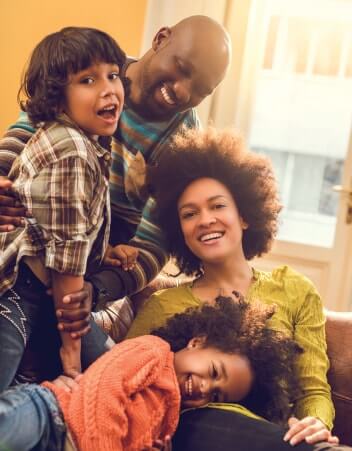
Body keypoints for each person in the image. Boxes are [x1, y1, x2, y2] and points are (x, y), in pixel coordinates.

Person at [0, 15, 232, 318]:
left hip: (103, 252)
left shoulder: (186, 148)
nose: (184, 92)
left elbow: (153, 245)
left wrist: (97, 290)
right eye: (183, 69)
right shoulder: (91, 69)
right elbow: (29, 130)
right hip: (42, 217)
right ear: (160, 39)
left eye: (202, 90)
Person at [126, 127, 344, 449]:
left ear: (243, 216)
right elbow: (125, 379)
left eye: (217, 206)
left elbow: (314, 390)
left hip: (278, 438)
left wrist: (315, 423)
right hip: (191, 432)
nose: (205, 220)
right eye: (190, 214)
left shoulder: (295, 290)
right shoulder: (162, 305)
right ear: (180, 231)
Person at [0, 297, 302, 451]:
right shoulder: (152, 352)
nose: (204, 388)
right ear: (197, 342)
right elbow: (105, 389)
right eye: (212, 372)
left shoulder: (169, 416)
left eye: (215, 395)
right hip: (51, 414)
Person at [0, 26, 126, 392]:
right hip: (16, 288)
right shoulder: (71, 151)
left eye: (113, 75)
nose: (108, 88)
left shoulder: (81, 142)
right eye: (88, 79)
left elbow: (67, 227)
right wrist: (71, 358)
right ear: (57, 100)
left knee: (118, 373)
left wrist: (104, 253)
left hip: (42, 289)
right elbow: (66, 258)